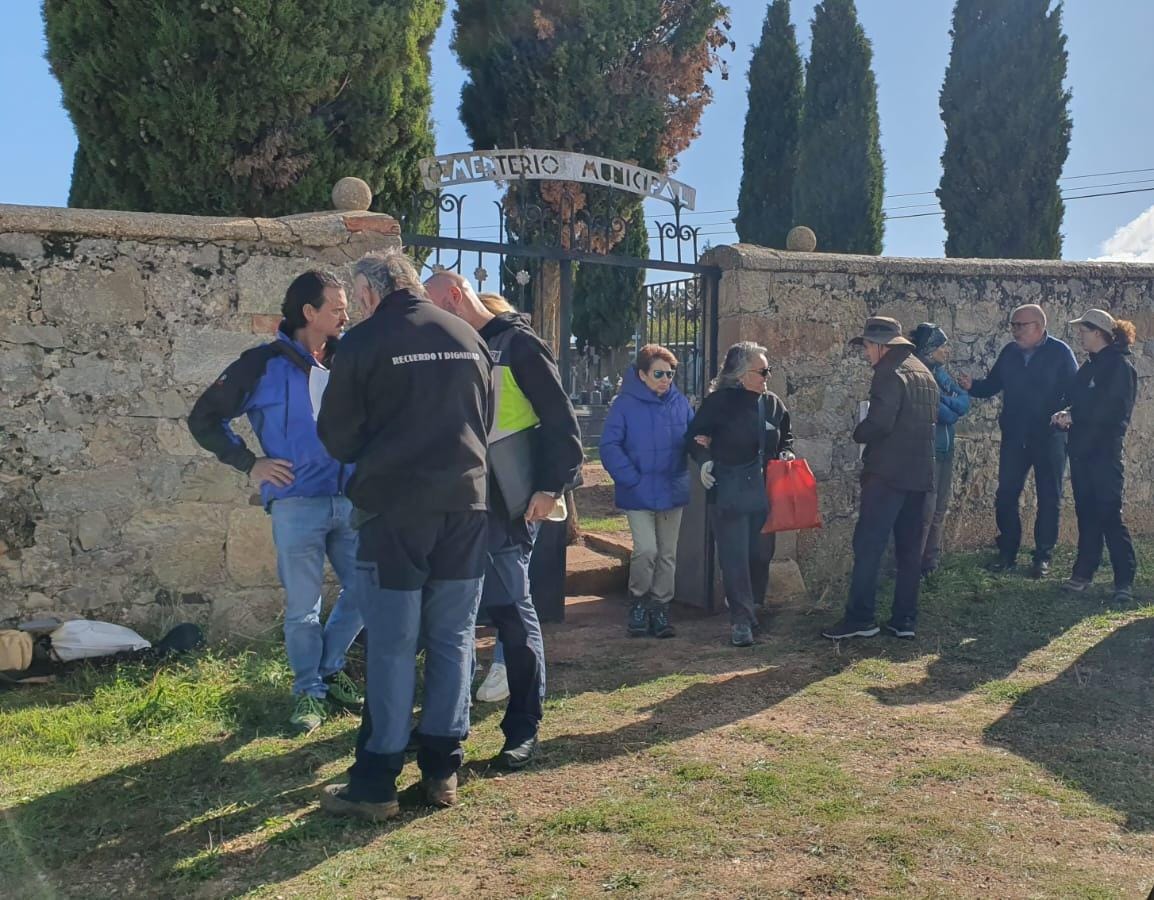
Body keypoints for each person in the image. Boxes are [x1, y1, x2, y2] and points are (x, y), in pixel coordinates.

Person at [316, 250, 492, 820]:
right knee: (453, 637)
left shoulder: (365, 343)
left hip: (395, 511)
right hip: (465, 505)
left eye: (356, 296)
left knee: (392, 644)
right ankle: (442, 770)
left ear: (369, 291)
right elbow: (482, 421)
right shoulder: (467, 336)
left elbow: (337, 438)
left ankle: (376, 783)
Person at [187, 270, 363, 735]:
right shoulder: (261, 364)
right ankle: (309, 691)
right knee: (303, 606)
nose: (346, 315)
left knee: (369, 587)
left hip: (353, 499)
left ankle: (327, 668)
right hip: (296, 504)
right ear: (310, 312)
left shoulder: (353, 359)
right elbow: (204, 418)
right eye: (337, 308)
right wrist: (250, 464)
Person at [424, 273, 583, 770]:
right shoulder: (458, 345)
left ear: (454, 297)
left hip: (506, 507)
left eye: (433, 307)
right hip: (461, 503)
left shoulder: (519, 345)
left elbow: (562, 422)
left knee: (513, 613)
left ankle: (523, 728)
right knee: (455, 619)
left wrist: (550, 487)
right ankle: (444, 725)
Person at [823, 317, 938, 642]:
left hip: (887, 474)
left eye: (866, 347)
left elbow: (880, 423)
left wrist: (859, 431)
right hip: (920, 475)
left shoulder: (888, 371)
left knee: (869, 546)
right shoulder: (923, 370)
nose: (865, 354)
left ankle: (860, 617)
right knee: (908, 551)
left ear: (879, 345)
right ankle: (905, 620)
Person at [959, 304, 1078, 578]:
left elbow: (1075, 391)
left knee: (1049, 497)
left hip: (1049, 438)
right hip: (1015, 437)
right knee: (1006, 495)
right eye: (1012, 325)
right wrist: (972, 386)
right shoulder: (1010, 353)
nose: (1014, 330)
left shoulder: (1060, 353)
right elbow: (992, 384)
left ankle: (1042, 557)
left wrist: (1068, 414)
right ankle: (1007, 553)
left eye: (1019, 325)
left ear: (1038, 326)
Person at [688, 342, 794, 648]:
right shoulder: (718, 403)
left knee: (761, 553)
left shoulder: (773, 403)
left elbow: (786, 435)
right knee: (734, 556)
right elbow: (694, 438)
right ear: (740, 374)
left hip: (764, 489)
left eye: (767, 370)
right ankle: (741, 620)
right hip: (730, 488)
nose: (766, 376)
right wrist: (705, 460)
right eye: (761, 371)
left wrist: (786, 452)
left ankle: (754, 605)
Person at [600, 344, 694, 639]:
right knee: (646, 549)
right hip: (638, 491)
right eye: (659, 373)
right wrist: (631, 478)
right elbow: (609, 446)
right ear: (642, 375)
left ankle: (660, 607)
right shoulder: (624, 405)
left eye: (670, 373)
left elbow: (692, 437)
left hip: (671, 487)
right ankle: (638, 601)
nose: (666, 379)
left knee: (667, 553)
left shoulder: (680, 404)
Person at [1051, 309, 1138, 603]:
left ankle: (1123, 580)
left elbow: (1114, 411)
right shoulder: (1088, 367)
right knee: (1086, 514)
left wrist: (1075, 416)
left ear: (1099, 332)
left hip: (1104, 454)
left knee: (1109, 515)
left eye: (1084, 330)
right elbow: (1076, 398)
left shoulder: (1120, 368)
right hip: (1081, 453)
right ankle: (1083, 573)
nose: (1080, 335)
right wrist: (1065, 412)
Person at [909, 323, 970, 576]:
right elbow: (946, 415)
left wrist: (944, 398)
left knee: (940, 509)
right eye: (942, 345)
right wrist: (950, 401)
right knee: (926, 512)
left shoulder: (940, 374)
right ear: (930, 348)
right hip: (928, 452)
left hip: (946, 450)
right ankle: (913, 564)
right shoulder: (919, 374)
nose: (947, 350)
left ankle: (930, 562)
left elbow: (964, 404)